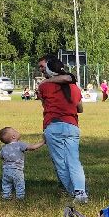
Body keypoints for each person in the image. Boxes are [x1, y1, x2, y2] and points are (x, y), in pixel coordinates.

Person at [37, 56, 88, 203]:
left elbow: (44, 104)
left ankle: (73, 193)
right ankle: (81, 191)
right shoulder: (74, 87)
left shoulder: (44, 86)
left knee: (60, 162)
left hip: (52, 125)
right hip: (71, 125)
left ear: (48, 69)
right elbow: (80, 108)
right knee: (74, 160)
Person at [0, 126, 42, 201]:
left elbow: (0, 156)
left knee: (6, 184)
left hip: (6, 171)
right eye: (15, 131)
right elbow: (32, 147)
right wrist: (43, 142)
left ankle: (6, 197)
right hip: (17, 171)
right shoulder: (20, 144)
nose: (17, 131)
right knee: (19, 185)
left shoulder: (4, 147)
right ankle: (20, 199)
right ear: (13, 136)